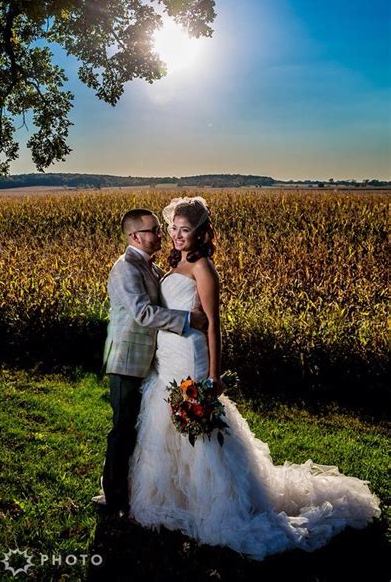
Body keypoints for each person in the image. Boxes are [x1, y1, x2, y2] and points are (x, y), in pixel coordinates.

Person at [128, 196, 381, 560]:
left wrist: (214, 375)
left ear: (199, 233)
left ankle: (215, 503)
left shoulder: (203, 268)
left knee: (200, 433)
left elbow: (214, 326)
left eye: (185, 229)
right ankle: (174, 496)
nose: (177, 234)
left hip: (193, 357)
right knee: (163, 425)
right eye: (173, 228)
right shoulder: (175, 263)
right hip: (167, 359)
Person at [95, 208, 208, 518]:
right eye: (155, 230)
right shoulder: (125, 268)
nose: (162, 235)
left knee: (139, 428)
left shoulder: (152, 267)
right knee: (123, 429)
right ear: (135, 236)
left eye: (161, 229)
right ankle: (114, 498)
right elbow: (143, 313)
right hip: (127, 362)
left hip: (154, 361)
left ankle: (130, 488)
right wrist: (188, 320)